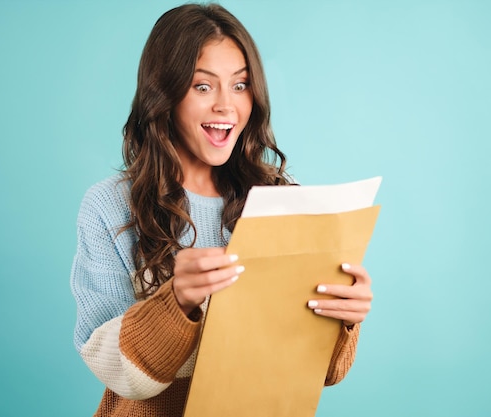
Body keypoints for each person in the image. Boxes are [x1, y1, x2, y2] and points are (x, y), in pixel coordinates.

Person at [70, 3, 374, 416]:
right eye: (202, 86)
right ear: (164, 94)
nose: (226, 106)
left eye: (240, 85)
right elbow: (117, 374)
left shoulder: (285, 198)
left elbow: (324, 373)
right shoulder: (109, 207)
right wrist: (176, 302)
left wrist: (343, 318)